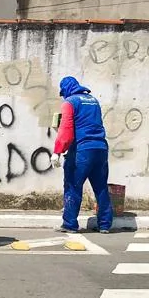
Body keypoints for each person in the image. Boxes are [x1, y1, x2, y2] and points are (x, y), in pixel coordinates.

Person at [51, 76, 112, 234]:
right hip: (101, 148)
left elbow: (66, 129)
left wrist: (57, 151)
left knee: (72, 185)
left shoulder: (70, 102)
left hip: (82, 150)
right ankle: (105, 224)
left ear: (66, 89)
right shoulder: (93, 100)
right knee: (101, 188)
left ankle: (70, 224)